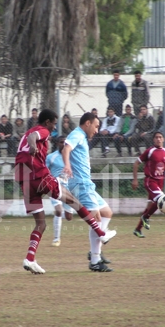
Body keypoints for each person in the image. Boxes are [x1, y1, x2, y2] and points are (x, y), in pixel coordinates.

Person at [15, 109, 116, 274]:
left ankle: (30, 259)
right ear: (47, 122)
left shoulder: (29, 131)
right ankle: (101, 234)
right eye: (54, 124)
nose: (54, 127)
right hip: (39, 175)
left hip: (23, 179)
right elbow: (33, 138)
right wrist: (34, 146)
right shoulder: (41, 130)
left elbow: (28, 139)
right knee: (74, 202)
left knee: (41, 223)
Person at [62, 112, 119, 272]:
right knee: (96, 219)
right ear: (87, 123)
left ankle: (96, 249)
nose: (96, 130)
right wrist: (67, 166)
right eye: (95, 126)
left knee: (107, 213)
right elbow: (66, 149)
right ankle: (95, 259)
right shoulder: (77, 135)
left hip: (87, 183)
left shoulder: (82, 137)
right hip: (81, 184)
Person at [131, 131, 165, 238]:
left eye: (160, 137)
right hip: (150, 181)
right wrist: (135, 180)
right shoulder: (150, 151)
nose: (158, 139)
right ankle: (145, 217)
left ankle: (137, 230)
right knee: (161, 200)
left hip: (160, 183)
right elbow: (136, 163)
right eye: (156, 137)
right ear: (153, 140)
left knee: (150, 206)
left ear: (163, 139)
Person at [46, 136, 74, 247]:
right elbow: (44, 171)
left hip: (68, 188)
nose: (64, 144)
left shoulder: (71, 157)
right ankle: (56, 239)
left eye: (66, 142)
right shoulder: (51, 157)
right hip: (54, 186)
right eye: (62, 142)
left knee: (69, 217)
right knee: (58, 210)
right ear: (57, 143)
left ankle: (59, 219)